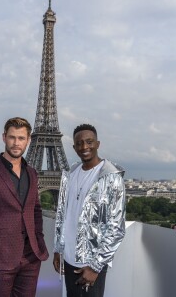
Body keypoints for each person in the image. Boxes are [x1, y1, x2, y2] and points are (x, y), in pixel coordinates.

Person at [0, 117, 49, 297]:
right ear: (4, 137)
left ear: (28, 140)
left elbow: (35, 210)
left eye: (21, 138)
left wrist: (39, 239)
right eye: (12, 137)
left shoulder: (32, 173)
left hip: (30, 257)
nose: (16, 143)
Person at [53, 123, 126, 297]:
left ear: (97, 144)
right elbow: (63, 215)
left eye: (89, 142)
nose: (84, 147)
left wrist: (95, 266)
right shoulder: (69, 174)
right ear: (74, 147)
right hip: (68, 260)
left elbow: (116, 229)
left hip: (90, 264)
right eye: (79, 143)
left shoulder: (111, 177)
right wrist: (58, 249)